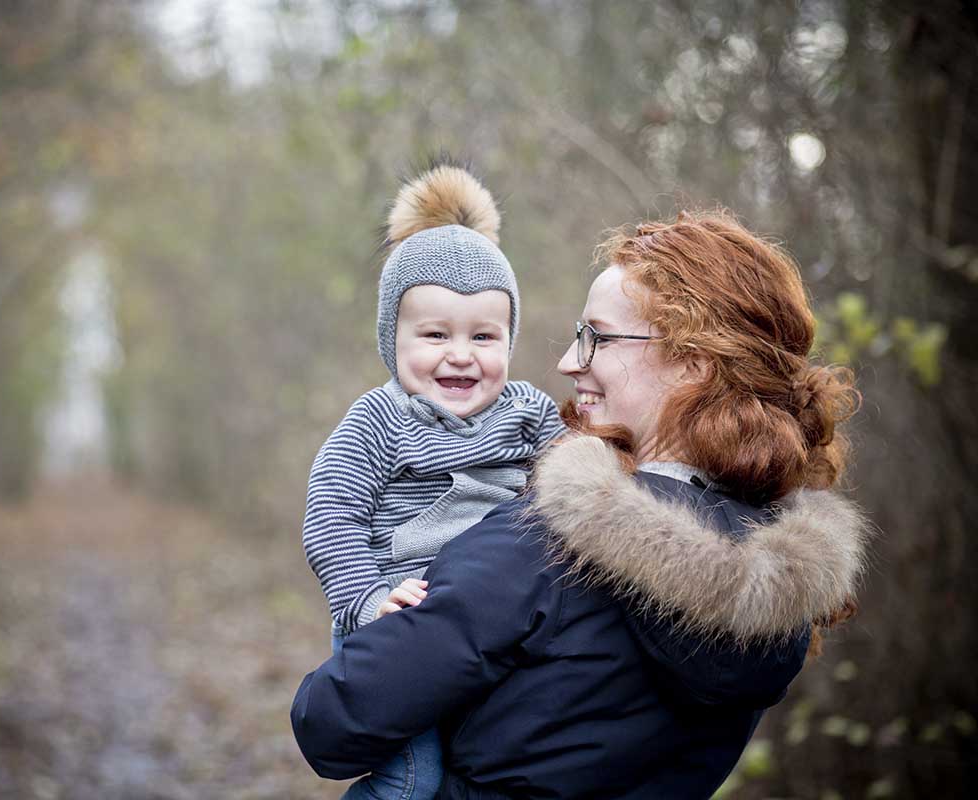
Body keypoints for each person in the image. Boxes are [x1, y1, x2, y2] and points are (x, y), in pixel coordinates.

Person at [292, 209, 872, 799]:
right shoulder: (777, 589)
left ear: (694, 365)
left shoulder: (542, 543)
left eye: (596, 336)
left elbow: (332, 722)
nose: (569, 361)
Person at [301, 160, 566, 800]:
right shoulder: (380, 417)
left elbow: (578, 480)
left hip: (485, 625)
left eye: (484, 335)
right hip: (396, 617)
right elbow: (330, 513)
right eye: (434, 334)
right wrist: (365, 601)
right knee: (411, 782)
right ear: (393, 340)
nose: (460, 354)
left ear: (509, 338)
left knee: (479, 762)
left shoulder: (528, 411)